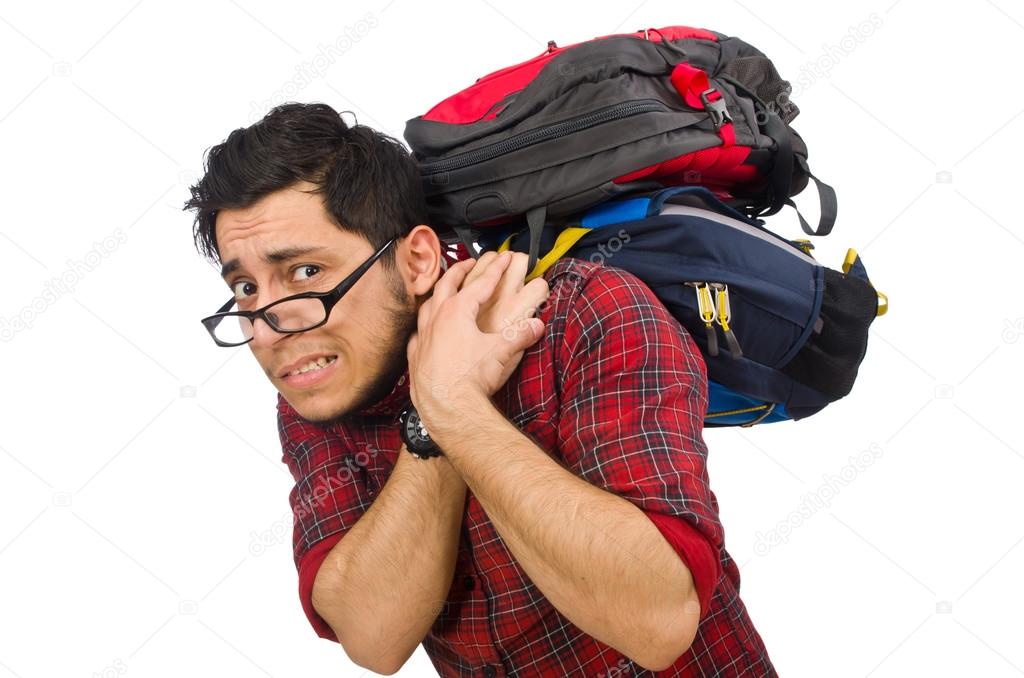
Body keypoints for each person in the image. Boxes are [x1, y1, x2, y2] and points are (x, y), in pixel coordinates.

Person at [184, 102, 777, 677]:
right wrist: (433, 419)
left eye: (305, 272)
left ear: (417, 261)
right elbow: (372, 637)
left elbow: (658, 621)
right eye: (244, 288)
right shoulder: (317, 382)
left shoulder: (586, 312)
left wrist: (456, 407)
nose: (267, 327)